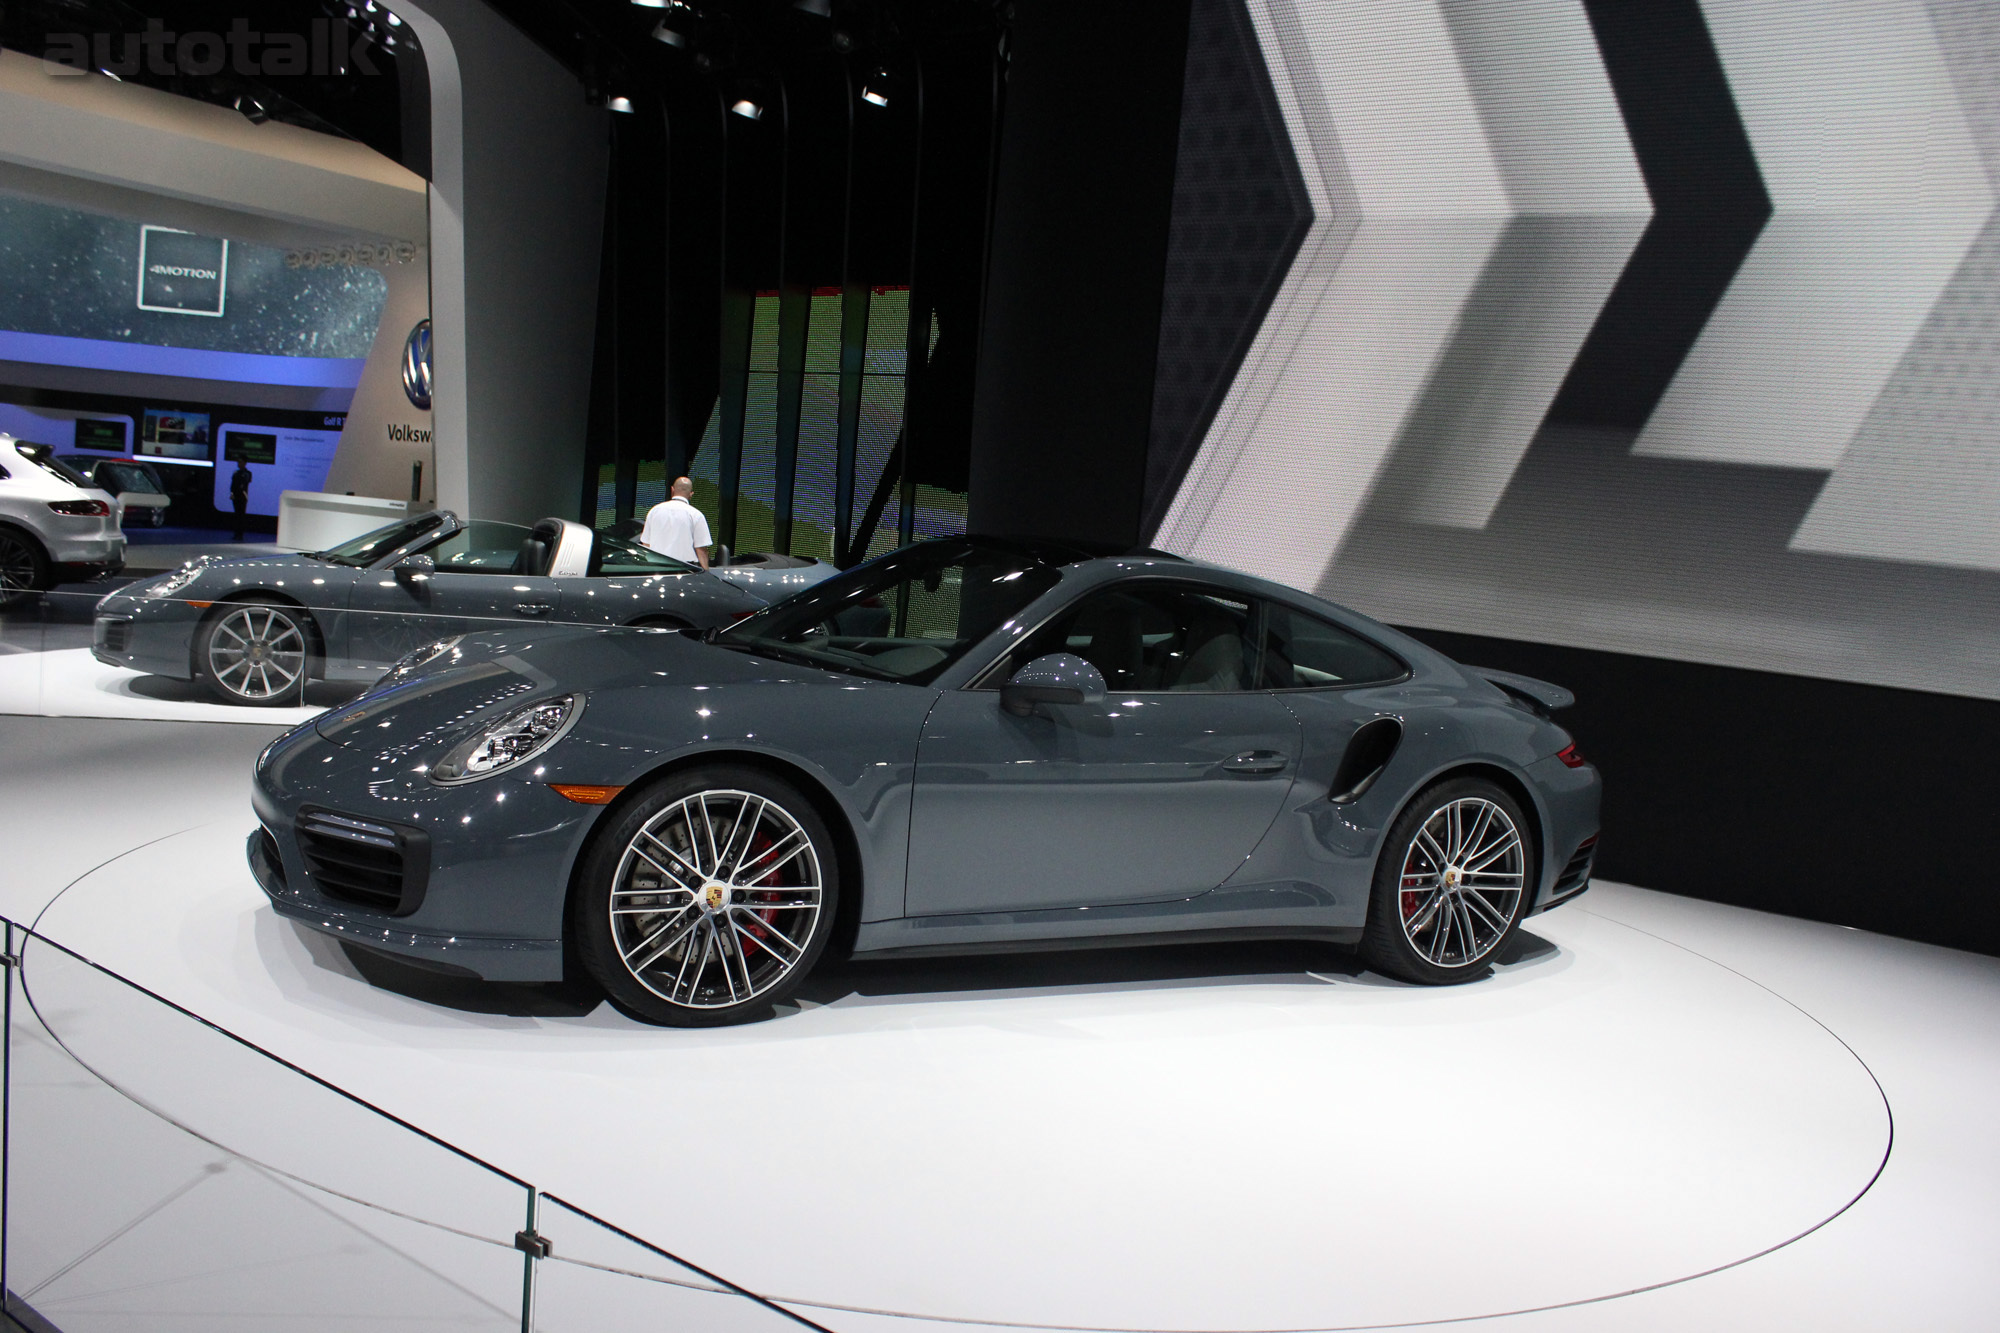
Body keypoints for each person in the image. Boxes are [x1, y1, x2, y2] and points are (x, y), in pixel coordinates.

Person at [638, 476, 713, 568]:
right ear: (691, 494)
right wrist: (706, 572)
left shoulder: (654, 511)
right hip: (684, 568)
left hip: (656, 567)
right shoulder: (696, 515)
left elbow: (646, 543)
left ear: (672, 489)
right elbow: (701, 549)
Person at [228, 458, 252, 541]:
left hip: (242, 496)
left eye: (241, 462)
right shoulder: (236, 473)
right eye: (238, 462)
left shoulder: (247, 473)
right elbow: (233, 484)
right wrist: (232, 493)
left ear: (245, 463)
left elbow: (246, 482)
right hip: (235, 495)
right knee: (236, 515)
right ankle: (236, 533)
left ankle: (240, 534)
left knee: (241, 515)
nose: (239, 463)